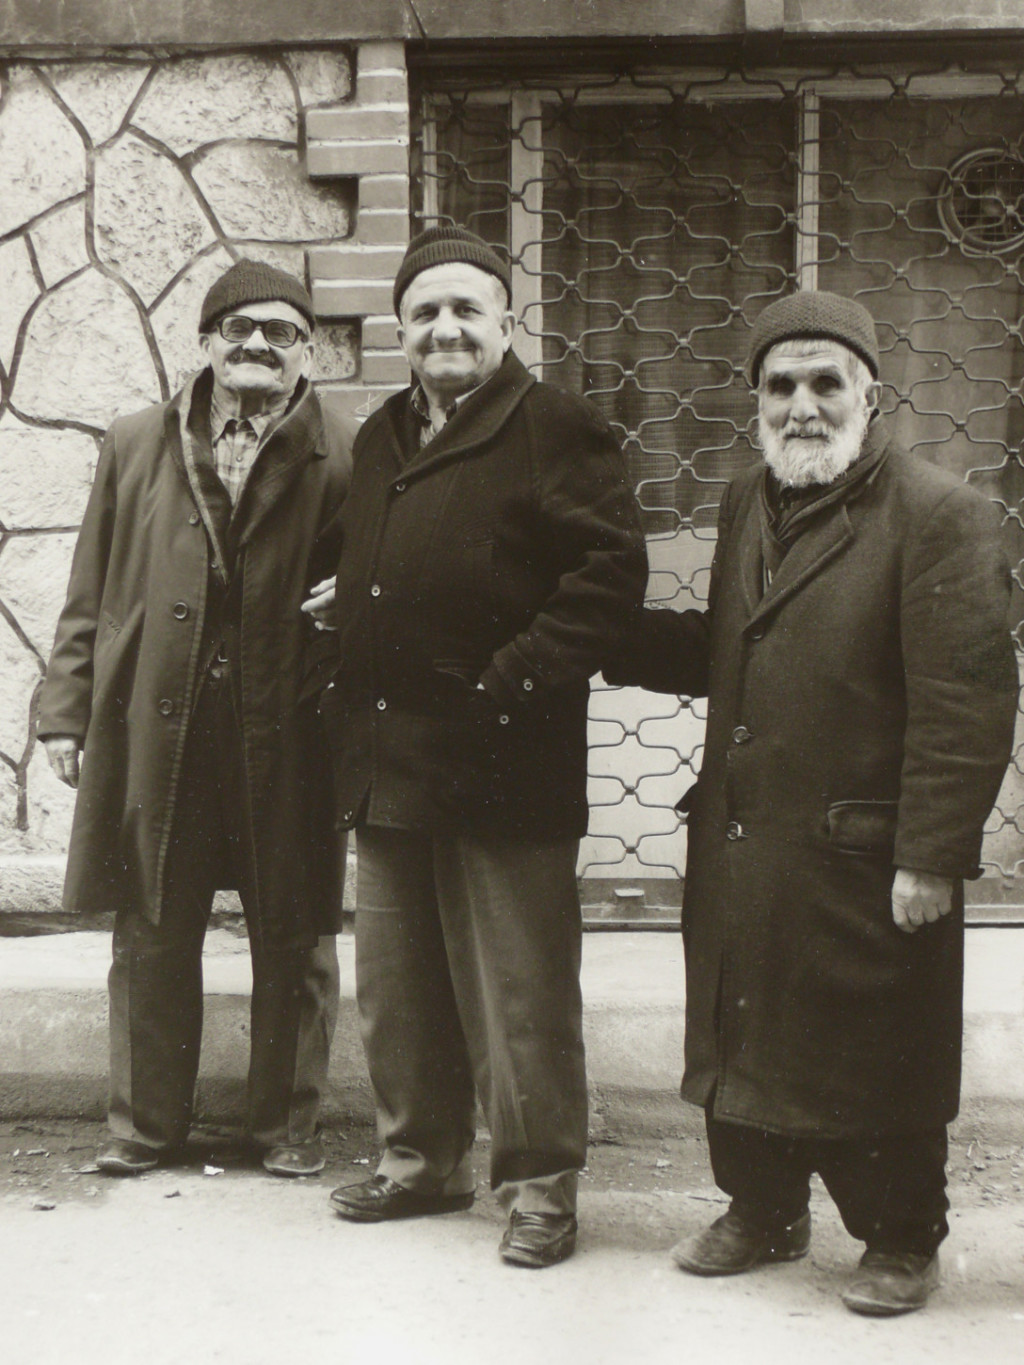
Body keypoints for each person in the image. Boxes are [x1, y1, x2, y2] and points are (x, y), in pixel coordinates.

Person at [606, 290, 1018, 1314]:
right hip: (749, 834)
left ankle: (900, 1238)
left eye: (824, 382)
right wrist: (602, 633)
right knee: (744, 1032)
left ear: (870, 395)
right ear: (754, 401)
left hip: (866, 852)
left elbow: (966, 702)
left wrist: (930, 853)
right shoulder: (750, 495)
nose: (801, 406)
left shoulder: (941, 515)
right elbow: (732, 642)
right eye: (779, 385)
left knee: (873, 1051)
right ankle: (762, 1209)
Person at [308, 224, 647, 1267]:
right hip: (390, 754)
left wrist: (509, 680)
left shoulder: (558, 426)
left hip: (504, 757)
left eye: (466, 308)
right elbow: (382, 553)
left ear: (507, 320)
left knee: (518, 992)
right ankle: (422, 1163)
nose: (445, 328)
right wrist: (350, 602)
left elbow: (606, 580)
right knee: (399, 984)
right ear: (400, 331)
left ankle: (539, 1187)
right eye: (425, 312)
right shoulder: (382, 435)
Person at [38, 259, 357, 1179]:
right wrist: (65, 712)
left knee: (294, 925)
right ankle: (144, 1127)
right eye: (238, 328)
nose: (257, 344)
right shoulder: (137, 440)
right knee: (150, 924)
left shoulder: (348, 448)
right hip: (162, 722)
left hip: (289, 723)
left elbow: (377, 575)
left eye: (281, 331)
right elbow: (91, 586)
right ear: (208, 341)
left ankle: (284, 1128)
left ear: (307, 351)